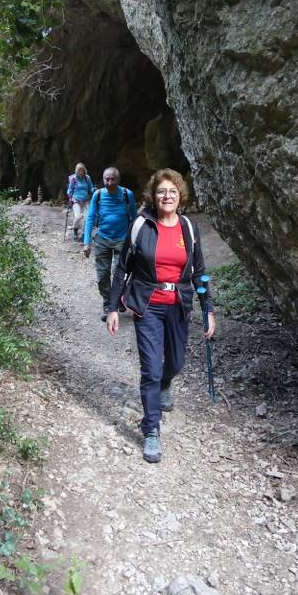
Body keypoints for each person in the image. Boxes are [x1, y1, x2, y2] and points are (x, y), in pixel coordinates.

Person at [106, 168, 215, 464]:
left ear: (180, 197)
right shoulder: (141, 225)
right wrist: (113, 307)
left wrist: (208, 309)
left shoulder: (188, 229)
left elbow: (200, 272)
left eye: (173, 192)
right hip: (148, 304)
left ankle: (167, 383)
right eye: (162, 191)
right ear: (154, 196)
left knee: (176, 363)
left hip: (178, 303)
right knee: (151, 369)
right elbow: (122, 268)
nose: (167, 196)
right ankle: (151, 429)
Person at [83, 167, 137, 321]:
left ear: (118, 180)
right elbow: (90, 218)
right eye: (107, 179)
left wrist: (136, 241)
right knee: (102, 275)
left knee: (120, 273)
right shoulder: (98, 195)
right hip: (102, 240)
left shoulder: (127, 195)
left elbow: (134, 218)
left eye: (112, 179)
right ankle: (108, 304)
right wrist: (86, 242)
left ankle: (117, 298)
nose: (109, 182)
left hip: (123, 240)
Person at [67, 163, 94, 241]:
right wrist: (70, 195)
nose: (81, 172)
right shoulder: (73, 179)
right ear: (77, 171)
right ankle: (75, 230)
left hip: (85, 200)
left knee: (87, 218)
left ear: (84, 170)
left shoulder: (87, 178)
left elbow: (91, 187)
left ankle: (84, 235)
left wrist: (93, 190)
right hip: (76, 200)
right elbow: (70, 189)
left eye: (82, 170)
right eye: (79, 171)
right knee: (78, 217)